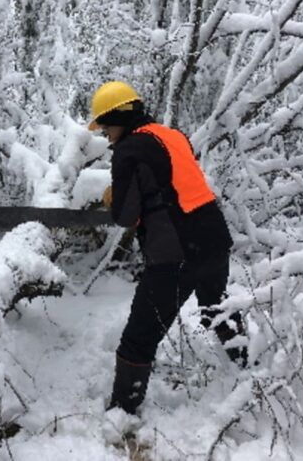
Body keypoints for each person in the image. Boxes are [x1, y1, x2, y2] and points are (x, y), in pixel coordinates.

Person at [89, 80, 245, 415]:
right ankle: (251, 371)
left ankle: (122, 414)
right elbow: (170, 184)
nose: (106, 136)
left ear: (119, 119)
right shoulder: (173, 135)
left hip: (175, 253)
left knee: (139, 335)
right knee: (216, 310)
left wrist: (112, 198)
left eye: (105, 128)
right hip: (214, 239)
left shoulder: (128, 150)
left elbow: (126, 216)